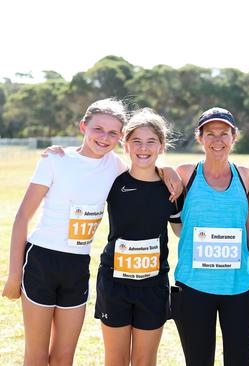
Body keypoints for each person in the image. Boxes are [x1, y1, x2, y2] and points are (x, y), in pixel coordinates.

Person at [1, 99, 128, 365]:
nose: (104, 137)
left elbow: (146, 171)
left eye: (113, 133)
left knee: (63, 357)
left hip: (78, 265)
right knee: (36, 355)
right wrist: (14, 275)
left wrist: (169, 173)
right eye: (98, 129)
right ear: (83, 126)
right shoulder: (55, 159)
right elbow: (23, 216)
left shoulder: (115, 166)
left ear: (120, 137)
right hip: (42, 260)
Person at [172, 107, 249, 366]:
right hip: (193, 287)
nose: (217, 140)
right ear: (199, 138)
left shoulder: (245, 176)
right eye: (209, 133)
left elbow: (244, 224)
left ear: (234, 137)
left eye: (224, 133)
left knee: (240, 361)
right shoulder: (184, 173)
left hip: (239, 288)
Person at [94, 108, 185, 365]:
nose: (143, 148)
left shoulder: (173, 187)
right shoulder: (113, 180)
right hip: (115, 283)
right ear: (125, 144)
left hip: (153, 286)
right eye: (136, 141)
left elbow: (180, 232)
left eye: (151, 142)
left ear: (161, 146)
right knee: (116, 360)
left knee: (145, 361)